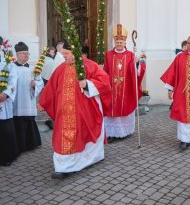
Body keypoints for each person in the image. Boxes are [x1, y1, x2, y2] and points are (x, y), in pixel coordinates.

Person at [39, 40, 112, 179]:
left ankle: (88, 160)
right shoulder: (60, 68)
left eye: (66, 53)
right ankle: (63, 166)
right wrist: (43, 102)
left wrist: (87, 84)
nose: (63, 56)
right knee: (63, 136)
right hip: (63, 112)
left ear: (74, 53)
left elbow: (104, 81)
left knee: (81, 134)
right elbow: (51, 87)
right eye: (63, 53)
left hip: (84, 111)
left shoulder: (88, 65)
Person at [103, 24, 146, 143]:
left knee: (124, 109)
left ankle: (125, 132)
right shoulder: (108, 55)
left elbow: (136, 73)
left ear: (125, 42)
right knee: (112, 110)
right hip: (112, 88)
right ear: (114, 41)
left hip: (126, 89)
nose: (119, 43)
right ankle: (111, 133)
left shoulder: (131, 55)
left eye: (121, 41)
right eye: (117, 41)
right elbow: (105, 71)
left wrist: (137, 64)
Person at [13, 42, 44, 153]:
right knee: (17, 122)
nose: (26, 56)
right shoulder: (11, 68)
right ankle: (19, 145)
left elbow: (40, 81)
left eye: (27, 53)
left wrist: (35, 84)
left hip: (28, 100)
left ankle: (31, 144)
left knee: (29, 121)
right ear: (17, 54)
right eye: (23, 53)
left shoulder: (33, 68)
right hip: (16, 101)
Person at [0, 36, 19, 166]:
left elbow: (13, 80)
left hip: (3, 100)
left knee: (5, 130)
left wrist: (5, 93)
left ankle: (6, 157)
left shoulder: (7, 63)